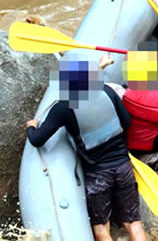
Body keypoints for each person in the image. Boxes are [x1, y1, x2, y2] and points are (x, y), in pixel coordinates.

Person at [25, 54, 147, 241]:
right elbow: (127, 122)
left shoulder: (63, 108)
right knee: (133, 223)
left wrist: (31, 127)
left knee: (101, 227)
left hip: (97, 174)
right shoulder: (107, 91)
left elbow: (38, 140)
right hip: (123, 167)